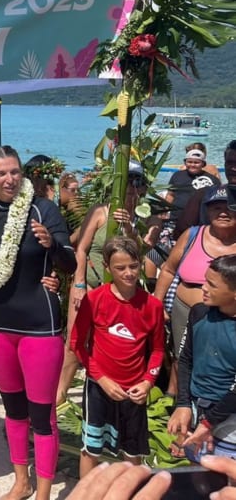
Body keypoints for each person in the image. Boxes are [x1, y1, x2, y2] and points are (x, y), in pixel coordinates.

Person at [0, 146, 76, 500]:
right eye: (0, 173)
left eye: (14, 171)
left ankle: (43, 491)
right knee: (13, 410)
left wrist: (51, 246)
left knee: (41, 415)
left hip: (37, 327)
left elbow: (71, 263)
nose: (9, 179)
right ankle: (21, 480)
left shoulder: (43, 210)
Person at [58, 162, 160, 406]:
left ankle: (102, 401)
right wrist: (80, 284)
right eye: (126, 184)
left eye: (137, 184)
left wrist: (129, 228)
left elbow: (144, 251)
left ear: (143, 188)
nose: (131, 190)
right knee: (74, 344)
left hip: (123, 293)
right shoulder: (100, 211)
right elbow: (81, 248)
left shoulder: (149, 217)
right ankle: (58, 400)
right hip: (90, 285)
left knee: (116, 344)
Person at [69, 236, 165, 476]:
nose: (128, 273)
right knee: (91, 448)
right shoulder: (94, 299)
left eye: (133, 266)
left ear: (141, 263)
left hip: (134, 391)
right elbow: (77, 343)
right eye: (120, 268)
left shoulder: (152, 305)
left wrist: (147, 382)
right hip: (99, 389)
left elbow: (158, 350)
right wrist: (100, 378)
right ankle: (86, 493)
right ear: (107, 267)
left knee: (133, 452)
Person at [153, 187, 236, 373]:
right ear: (207, 211)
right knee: (181, 357)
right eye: (216, 208)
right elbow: (167, 270)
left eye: (229, 207)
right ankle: (177, 397)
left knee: (223, 361)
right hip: (185, 309)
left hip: (229, 317)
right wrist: (157, 303)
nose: (223, 212)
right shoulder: (192, 235)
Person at [169, 254, 236, 462]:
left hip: (229, 421)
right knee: (198, 477)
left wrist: (208, 423)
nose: (203, 288)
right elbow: (185, 359)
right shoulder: (199, 313)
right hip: (198, 409)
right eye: (205, 280)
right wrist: (183, 405)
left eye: (212, 285)